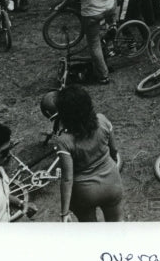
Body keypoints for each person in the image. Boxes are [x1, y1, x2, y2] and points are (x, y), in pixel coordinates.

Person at [53, 85, 124, 222]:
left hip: (84, 193)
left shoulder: (64, 141)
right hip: (111, 183)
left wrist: (64, 212)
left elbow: (67, 179)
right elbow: (114, 151)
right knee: (117, 225)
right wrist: (113, 168)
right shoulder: (102, 120)